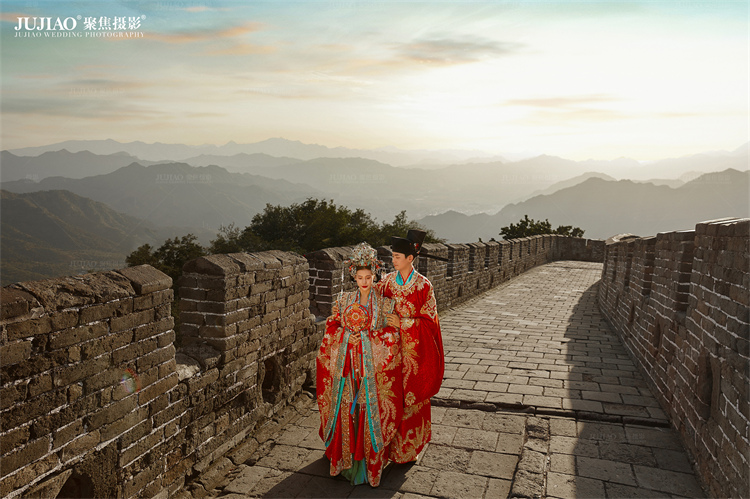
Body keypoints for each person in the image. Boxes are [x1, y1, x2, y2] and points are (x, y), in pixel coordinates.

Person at [316, 242, 403, 487]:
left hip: (371, 371)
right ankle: (344, 460)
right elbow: (331, 327)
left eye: (368, 277)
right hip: (346, 368)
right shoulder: (343, 300)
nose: (364, 282)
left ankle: (366, 464)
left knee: (367, 411)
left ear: (375, 276)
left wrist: (365, 339)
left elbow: (392, 335)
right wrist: (345, 337)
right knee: (346, 409)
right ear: (354, 277)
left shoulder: (385, 304)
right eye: (360, 277)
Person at [378, 229, 445, 463]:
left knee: (411, 400)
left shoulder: (423, 286)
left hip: (413, 353)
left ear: (410, 258)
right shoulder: (386, 282)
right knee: (388, 399)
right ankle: (385, 449)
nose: (393, 260)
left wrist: (403, 323)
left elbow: (430, 322)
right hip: (389, 350)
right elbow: (374, 306)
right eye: (392, 256)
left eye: (397, 257)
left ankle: (407, 450)